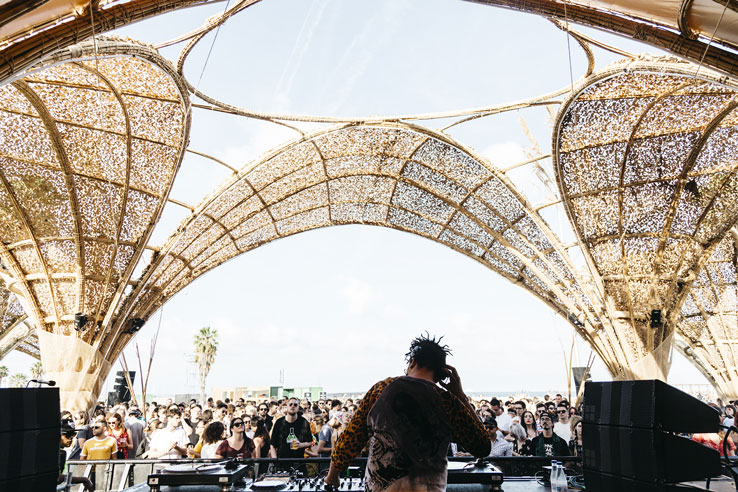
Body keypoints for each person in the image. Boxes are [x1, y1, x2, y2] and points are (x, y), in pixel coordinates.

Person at [325, 334, 490, 491]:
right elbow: (482, 447)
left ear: (412, 362)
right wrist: (460, 396)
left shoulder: (381, 390)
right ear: (441, 374)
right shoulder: (447, 401)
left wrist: (332, 476)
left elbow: (350, 439)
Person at [58, 420, 94, 492]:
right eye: (68, 435)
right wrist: (83, 480)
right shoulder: (57, 454)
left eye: (73, 434)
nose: (71, 438)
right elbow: (58, 478)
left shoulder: (62, 453)